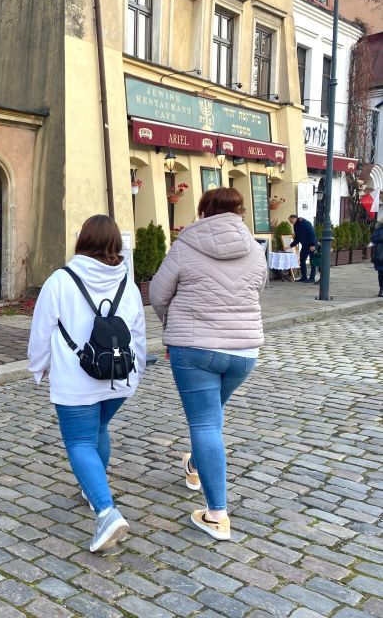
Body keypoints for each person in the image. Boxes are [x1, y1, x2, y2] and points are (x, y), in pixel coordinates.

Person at [150, 188, 268, 541]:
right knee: (211, 417)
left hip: (194, 348)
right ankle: (195, 465)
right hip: (245, 351)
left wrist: (171, 325)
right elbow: (258, 289)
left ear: (204, 210)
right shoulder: (255, 248)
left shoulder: (186, 244)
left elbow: (157, 293)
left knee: (205, 424)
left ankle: (216, 513)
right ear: (240, 210)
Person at [28, 215, 146, 552]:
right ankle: (92, 488)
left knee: (80, 442)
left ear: (82, 241)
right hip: (118, 375)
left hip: (76, 378)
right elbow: (137, 332)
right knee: (98, 430)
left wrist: (38, 367)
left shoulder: (60, 281)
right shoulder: (128, 283)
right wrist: (134, 376)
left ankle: (107, 512)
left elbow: (41, 329)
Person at [288, 214, 317, 283]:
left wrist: (312, 244)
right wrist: (291, 245)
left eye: (290, 220)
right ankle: (304, 277)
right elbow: (297, 237)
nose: (290, 222)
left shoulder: (305, 223)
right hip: (304, 245)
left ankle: (312, 278)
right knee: (302, 260)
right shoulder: (296, 225)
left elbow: (312, 233)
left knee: (312, 261)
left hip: (311, 245)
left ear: (294, 218)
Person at [372, 217, 383, 297]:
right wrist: (381, 238)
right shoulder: (378, 228)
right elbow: (373, 238)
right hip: (380, 254)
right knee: (381, 273)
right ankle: (381, 289)